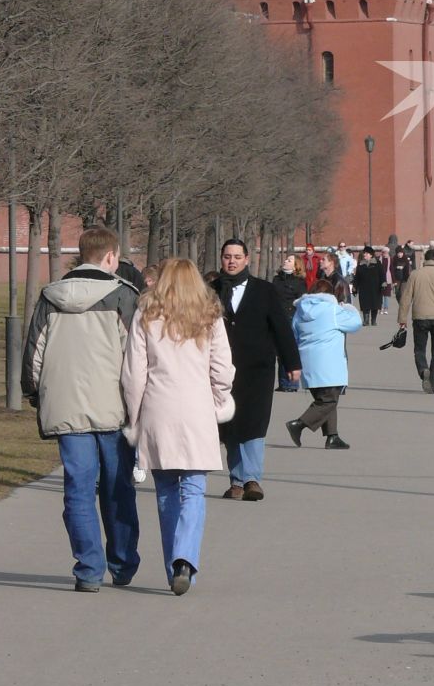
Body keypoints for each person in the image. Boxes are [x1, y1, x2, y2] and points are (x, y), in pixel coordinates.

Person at [22, 224, 141, 592]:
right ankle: (121, 563)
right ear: (111, 256)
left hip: (65, 404)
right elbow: (136, 356)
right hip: (113, 407)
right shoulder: (124, 296)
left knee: (78, 487)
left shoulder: (50, 296)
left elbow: (34, 356)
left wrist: (35, 395)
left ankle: (88, 568)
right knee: (117, 486)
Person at [121, 259, 236, 595]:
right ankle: (185, 559)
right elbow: (223, 368)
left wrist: (134, 414)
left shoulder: (146, 315)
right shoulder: (209, 316)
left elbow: (133, 373)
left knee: (166, 491)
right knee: (194, 489)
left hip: (159, 408)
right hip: (196, 408)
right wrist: (220, 399)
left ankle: (175, 561)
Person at [211, 238, 301, 501]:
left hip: (257, 369)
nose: (232, 261)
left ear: (247, 259)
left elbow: (281, 327)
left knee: (254, 423)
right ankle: (236, 480)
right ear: (221, 259)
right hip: (221, 370)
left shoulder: (264, 290)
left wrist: (291, 363)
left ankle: (252, 479)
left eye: (237, 256)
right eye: (227, 256)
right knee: (229, 425)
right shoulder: (210, 290)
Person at [287, 278, 363, 449]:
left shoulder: (300, 310)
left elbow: (294, 332)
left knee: (324, 400)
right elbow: (355, 323)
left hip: (307, 361)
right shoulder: (332, 310)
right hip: (328, 363)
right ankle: (298, 424)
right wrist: (348, 307)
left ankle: (332, 436)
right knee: (329, 401)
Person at [396, 246, 434, 392]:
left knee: (419, 349)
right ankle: (433, 383)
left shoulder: (415, 275)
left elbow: (406, 298)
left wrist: (402, 320)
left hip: (419, 317)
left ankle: (423, 369)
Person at [271, 253, 307, 388]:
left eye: (289, 260)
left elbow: (302, 300)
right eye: (286, 259)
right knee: (279, 352)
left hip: (291, 319)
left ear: (296, 265)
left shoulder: (299, 282)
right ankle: (282, 383)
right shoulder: (276, 279)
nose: (285, 261)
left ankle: (291, 383)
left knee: (289, 350)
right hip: (277, 317)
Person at [353, 248, 385, 326]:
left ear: (371, 255)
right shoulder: (361, 264)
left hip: (375, 288)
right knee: (365, 304)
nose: (364, 255)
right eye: (364, 253)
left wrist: (383, 283)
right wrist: (355, 287)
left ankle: (373, 320)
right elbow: (357, 277)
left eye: (366, 253)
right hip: (364, 288)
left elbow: (382, 275)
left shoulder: (377, 263)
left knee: (375, 305)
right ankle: (366, 320)